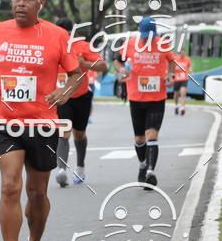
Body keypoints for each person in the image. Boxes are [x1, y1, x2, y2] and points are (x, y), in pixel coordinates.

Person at [0, 0, 82, 241]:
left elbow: (75, 74)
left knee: (37, 193)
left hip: (42, 123)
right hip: (4, 121)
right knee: (10, 186)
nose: (21, 4)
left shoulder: (56, 35)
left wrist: (63, 92)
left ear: (41, 2)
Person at [114, 17, 176, 187]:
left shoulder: (162, 44)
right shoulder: (130, 44)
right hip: (136, 97)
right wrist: (121, 71)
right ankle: (142, 164)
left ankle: (150, 172)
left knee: (152, 135)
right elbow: (117, 60)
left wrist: (170, 76)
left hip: (157, 97)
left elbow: (172, 61)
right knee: (140, 138)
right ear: (139, 32)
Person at [54, 18, 108, 186]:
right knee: (64, 132)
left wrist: (85, 63)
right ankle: (61, 170)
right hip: (63, 96)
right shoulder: (52, 47)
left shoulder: (82, 46)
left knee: (79, 134)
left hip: (82, 96)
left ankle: (80, 168)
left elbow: (104, 66)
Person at [170, 50, 191, 115]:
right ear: (179, 53)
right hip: (176, 79)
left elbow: (189, 67)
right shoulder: (176, 59)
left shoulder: (187, 59)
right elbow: (171, 68)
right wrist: (176, 69)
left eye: (183, 53)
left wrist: (190, 70)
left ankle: (182, 108)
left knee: (183, 93)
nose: (182, 54)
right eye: (181, 53)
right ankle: (176, 106)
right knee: (176, 95)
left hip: (184, 79)